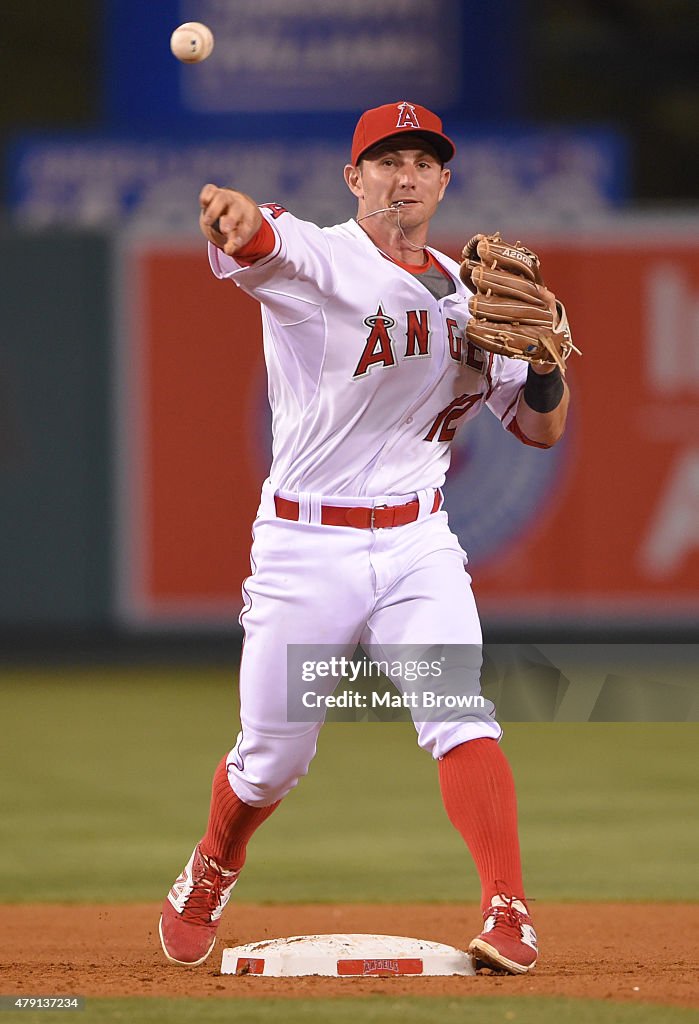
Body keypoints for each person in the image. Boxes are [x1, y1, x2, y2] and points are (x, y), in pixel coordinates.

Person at [158, 101, 569, 975]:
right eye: (386, 160)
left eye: (422, 161)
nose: (405, 175)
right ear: (355, 179)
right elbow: (261, 238)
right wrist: (234, 214)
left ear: (443, 181)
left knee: (460, 715)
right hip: (306, 546)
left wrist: (540, 365)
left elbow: (539, 431)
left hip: (419, 543)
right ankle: (210, 867)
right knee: (271, 759)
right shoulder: (321, 258)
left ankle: (508, 912)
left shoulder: (473, 294)